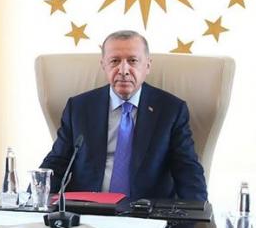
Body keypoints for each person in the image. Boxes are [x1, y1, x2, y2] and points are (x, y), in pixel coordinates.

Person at [40, 30, 207, 201]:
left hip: (146, 211)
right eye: (115, 61)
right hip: (89, 209)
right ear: (103, 65)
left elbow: (187, 170)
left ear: (148, 65)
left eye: (133, 61)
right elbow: (57, 163)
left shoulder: (171, 110)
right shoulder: (79, 108)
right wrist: (33, 200)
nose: (123, 70)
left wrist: (198, 212)